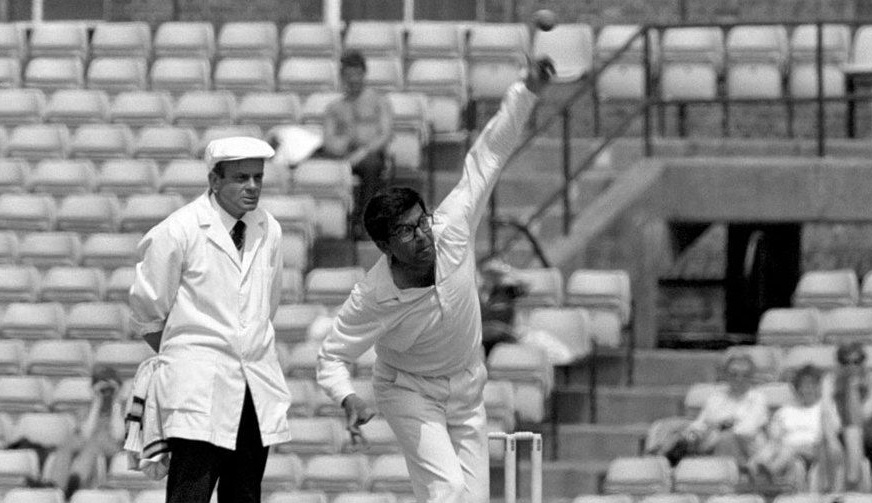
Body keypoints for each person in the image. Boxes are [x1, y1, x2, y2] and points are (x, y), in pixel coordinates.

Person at [316, 57, 554, 503]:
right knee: (448, 490)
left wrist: (525, 92)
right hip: (408, 391)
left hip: (468, 386)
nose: (423, 235)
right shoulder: (373, 296)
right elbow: (331, 356)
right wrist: (347, 397)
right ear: (385, 246)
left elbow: (488, 155)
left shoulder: (452, 227)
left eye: (421, 222)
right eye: (407, 232)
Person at [128, 136, 291, 503]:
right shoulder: (179, 230)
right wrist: (188, 359)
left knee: (244, 494)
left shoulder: (269, 229)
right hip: (197, 390)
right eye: (241, 178)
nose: (252, 186)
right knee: (190, 494)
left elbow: (267, 306)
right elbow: (147, 310)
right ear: (214, 180)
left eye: (258, 177)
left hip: (254, 385)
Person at [322, 49, 394, 240]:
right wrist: (343, 146)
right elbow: (329, 140)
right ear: (342, 76)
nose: (353, 79)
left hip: (371, 154)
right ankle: (331, 226)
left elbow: (385, 134)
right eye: (349, 75)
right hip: (343, 156)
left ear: (364, 73)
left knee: (371, 165)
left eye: (357, 74)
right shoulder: (334, 108)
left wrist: (363, 151)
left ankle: (363, 222)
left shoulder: (379, 102)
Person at [656, 353, 769, 466]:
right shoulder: (716, 398)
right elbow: (700, 423)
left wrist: (716, 430)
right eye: (734, 374)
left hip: (745, 452)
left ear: (751, 377)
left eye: (745, 375)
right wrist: (692, 434)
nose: (739, 379)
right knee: (677, 435)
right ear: (726, 375)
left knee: (726, 439)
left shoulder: (757, 399)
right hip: (709, 443)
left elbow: (747, 430)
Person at [749, 364, 844, 490]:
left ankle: (770, 471)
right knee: (775, 450)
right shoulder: (785, 411)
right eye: (804, 385)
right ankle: (755, 469)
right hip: (786, 450)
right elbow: (774, 437)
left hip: (816, 450)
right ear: (797, 388)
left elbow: (833, 434)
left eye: (813, 384)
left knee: (789, 450)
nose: (808, 389)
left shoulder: (826, 409)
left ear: (819, 387)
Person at [45, 366, 126, 498]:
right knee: (68, 443)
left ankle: (74, 482)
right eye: (103, 388)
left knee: (96, 441)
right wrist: (97, 402)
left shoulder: (124, 409)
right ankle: (55, 486)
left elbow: (118, 436)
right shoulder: (87, 409)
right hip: (90, 445)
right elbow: (85, 435)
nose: (106, 392)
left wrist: (116, 401)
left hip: (113, 447)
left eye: (110, 389)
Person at [828, 342, 872, 485]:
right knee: (852, 432)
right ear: (840, 364)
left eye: (856, 361)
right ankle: (853, 482)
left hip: (867, 433)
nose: (851, 366)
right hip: (840, 434)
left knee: (854, 431)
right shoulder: (830, 382)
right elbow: (828, 416)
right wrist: (832, 440)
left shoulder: (870, 380)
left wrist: (853, 389)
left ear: (862, 362)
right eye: (846, 362)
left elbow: (862, 417)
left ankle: (854, 481)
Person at [478, 258, 527, 358]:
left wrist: (507, 271)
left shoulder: (508, 291)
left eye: (495, 274)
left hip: (505, 334)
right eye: (488, 274)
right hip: (482, 335)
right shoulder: (476, 294)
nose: (491, 278)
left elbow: (526, 286)